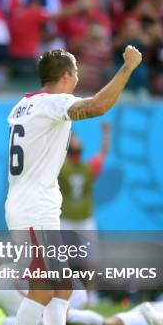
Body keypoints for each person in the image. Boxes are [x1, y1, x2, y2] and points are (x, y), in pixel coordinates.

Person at [0, 45, 143, 325]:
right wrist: (127, 68)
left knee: (62, 284)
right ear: (64, 76)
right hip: (34, 207)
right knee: (45, 285)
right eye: (76, 74)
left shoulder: (22, 105)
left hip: (37, 204)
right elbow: (98, 106)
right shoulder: (54, 102)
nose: (78, 79)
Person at [59, 122, 110, 305]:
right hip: (73, 219)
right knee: (79, 259)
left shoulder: (64, 168)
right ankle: (86, 293)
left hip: (76, 219)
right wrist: (105, 135)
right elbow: (102, 154)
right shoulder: (86, 168)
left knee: (84, 259)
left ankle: (88, 293)